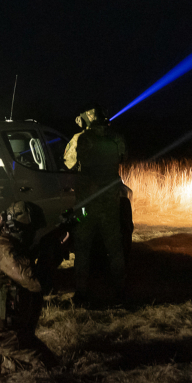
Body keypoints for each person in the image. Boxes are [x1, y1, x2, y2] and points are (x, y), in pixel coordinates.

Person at [0, 200, 56, 373]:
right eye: (31, 232)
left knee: (31, 364)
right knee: (48, 365)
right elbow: (36, 282)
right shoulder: (3, 250)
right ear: (18, 230)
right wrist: (49, 255)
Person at [64, 104, 130, 304]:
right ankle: (120, 291)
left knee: (83, 247)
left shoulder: (80, 139)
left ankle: (81, 293)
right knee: (115, 248)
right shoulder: (116, 138)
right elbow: (123, 157)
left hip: (86, 206)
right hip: (110, 205)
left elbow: (68, 163)